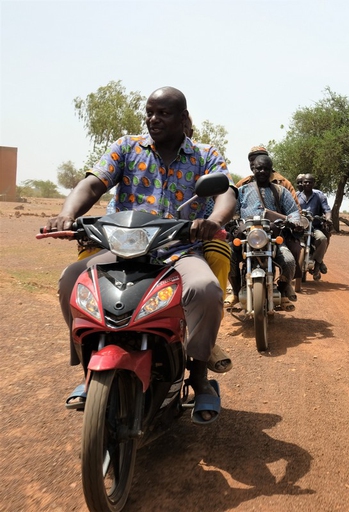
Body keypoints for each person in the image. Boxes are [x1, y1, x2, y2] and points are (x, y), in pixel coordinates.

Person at [49, 86, 236, 425]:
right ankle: (89, 366)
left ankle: (198, 376)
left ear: (183, 118)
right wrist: (67, 213)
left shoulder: (204, 154)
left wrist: (213, 221)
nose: (153, 119)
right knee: (70, 281)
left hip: (178, 252)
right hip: (121, 249)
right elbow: (93, 184)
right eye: (150, 112)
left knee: (206, 291)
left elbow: (225, 193)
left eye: (163, 113)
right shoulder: (126, 148)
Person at [229, 147, 300, 305]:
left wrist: (294, 221)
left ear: (271, 170)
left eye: (266, 169)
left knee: (288, 261)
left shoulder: (281, 191)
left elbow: (293, 212)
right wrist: (233, 222)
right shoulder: (241, 191)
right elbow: (232, 211)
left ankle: (283, 288)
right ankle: (234, 292)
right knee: (229, 256)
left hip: (272, 237)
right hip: (246, 236)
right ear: (253, 169)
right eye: (259, 168)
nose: (262, 171)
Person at [298, 173, 332, 280]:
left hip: (314, 227)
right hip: (298, 227)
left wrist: (328, 218)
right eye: (305, 182)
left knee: (322, 239)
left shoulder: (319, 196)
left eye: (310, 182)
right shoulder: (296, 196)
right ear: (302, 183)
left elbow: (327, 210)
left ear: (314, 183)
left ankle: (317, 264)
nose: (307, 184)